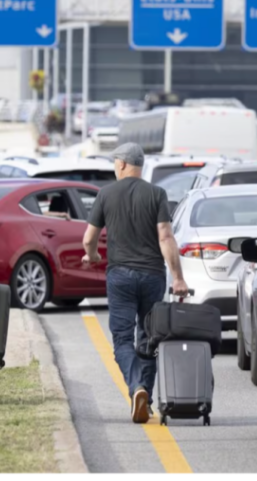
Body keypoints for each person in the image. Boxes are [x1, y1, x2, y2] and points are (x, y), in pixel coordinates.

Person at [82, 142, 190, 424]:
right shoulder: (157, 194)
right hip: (153, 276)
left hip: (120, 277)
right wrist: (178, 277)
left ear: (120, 164)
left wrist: (92, 256)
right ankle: (147, 399)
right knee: (150, 338)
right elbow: (165, 237)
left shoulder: (106, 194)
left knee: (122, 339)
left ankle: (136, 388)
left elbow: (88, 239)